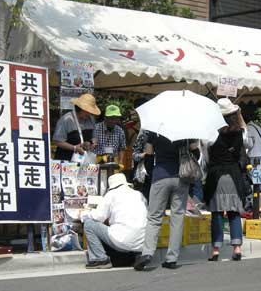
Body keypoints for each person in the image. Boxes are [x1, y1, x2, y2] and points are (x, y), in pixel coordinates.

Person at [134, 133, 198, 271]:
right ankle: (172, 259)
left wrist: (154, 173)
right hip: (181, 177)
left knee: (154, 217)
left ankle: (147, 253)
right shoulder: (185, 129)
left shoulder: (155, 131)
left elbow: (149, 157)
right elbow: (196, 153)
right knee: (178, 216)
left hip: (160, 176)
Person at [203, 98, 249, 262]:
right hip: (234, 176)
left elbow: (206, 158)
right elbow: (246, 134)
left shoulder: (211, 134)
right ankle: (237, 247)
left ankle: (215, 250)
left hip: (216, 176)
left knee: (216, 213)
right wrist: (240, 115)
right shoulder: (240, 133)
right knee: (233, 212)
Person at [81, 173, 148, 269]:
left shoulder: (111, 194)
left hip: (122, 241)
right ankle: (136, 256)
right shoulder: (138, 194)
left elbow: (98, 216)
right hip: (140, 244)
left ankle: (100, 259)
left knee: (89, 223)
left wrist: (85, 214)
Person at [53, 93, 100, 161]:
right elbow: (57, 141)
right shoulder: (66, 119)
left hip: (84, 160)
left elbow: (94, 137)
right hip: (66, 160)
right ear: (80, 108)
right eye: (87, 111)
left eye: (91, 111)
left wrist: (92, 143)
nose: (89, 113)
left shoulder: (91, 119)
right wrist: (74, 148)